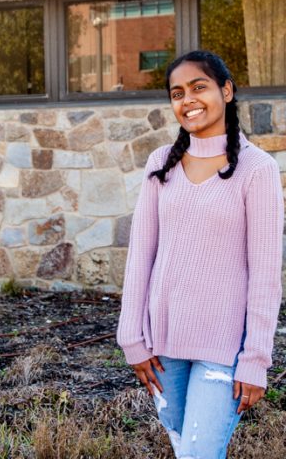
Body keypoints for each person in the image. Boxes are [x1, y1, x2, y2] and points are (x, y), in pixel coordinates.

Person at [116, 50, 283, 459]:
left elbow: (265, 275)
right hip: (163, 346)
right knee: (185, 450)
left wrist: (255, 360)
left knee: (198, 453)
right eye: (177, 93)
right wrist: (131, 339)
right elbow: (141, 255)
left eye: (199, 87)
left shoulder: (256, 170)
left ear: (226, 91)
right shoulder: (161, 164)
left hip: (225, 350)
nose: (187, 99)